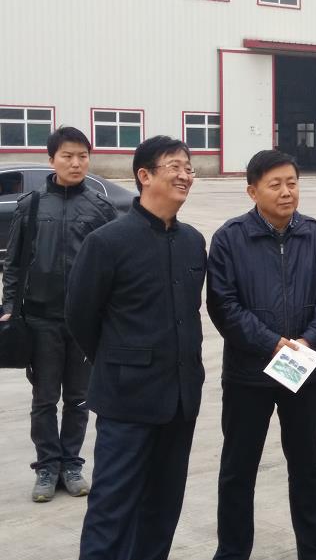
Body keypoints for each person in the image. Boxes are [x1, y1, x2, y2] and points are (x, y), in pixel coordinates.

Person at [66, 136, 206, 560]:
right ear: (144, 175)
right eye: (174, 167)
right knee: (112, 509)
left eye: (188, 168)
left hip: (180, 400)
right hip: (126, 401)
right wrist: (119, 362)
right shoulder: (107, 241)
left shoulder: (192, 241)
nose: (185, 176)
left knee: (163, 508)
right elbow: (80, 317)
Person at [207, 150, 316, 560]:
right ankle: (232, 552)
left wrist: (310, 340)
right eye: (275, 185)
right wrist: (271, 343)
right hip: (248, 376)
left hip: (302, 372)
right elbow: (223, 305)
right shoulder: (230, 238)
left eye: (292, 183)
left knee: (307, 469)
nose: (286, 192)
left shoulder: (315, 234)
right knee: (238, 470)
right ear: (253, 191)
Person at [1, 126, 117, 502]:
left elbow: (114, 268)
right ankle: (47, 467)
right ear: (52, 159)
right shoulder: (32, 205)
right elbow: (13, 263)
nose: (76, 163)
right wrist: (9, 307)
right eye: (67, 156)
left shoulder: (100, 209)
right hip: (40, 319)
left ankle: (71, 464)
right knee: (45, 398)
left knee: (79, 398)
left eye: (82, 156)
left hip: (84, 323)